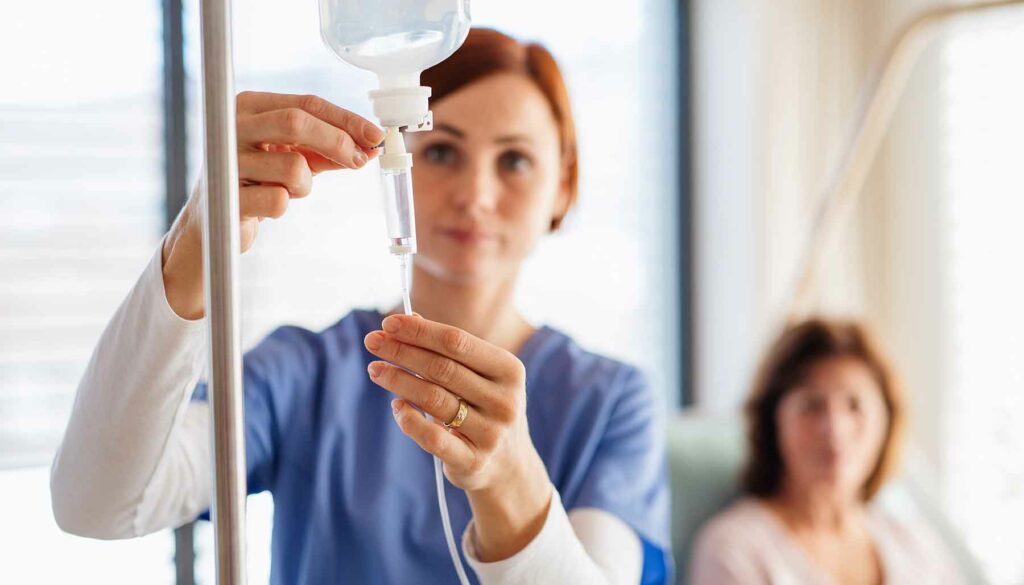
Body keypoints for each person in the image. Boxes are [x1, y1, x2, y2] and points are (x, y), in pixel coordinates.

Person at [50, 28, 671, 585]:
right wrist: (194, 245)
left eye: (514, 160)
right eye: (443, 151)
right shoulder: (305, 373)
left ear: (562, 184)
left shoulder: (609, 403)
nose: (475, 195)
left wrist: (509, 478)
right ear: (395, 158)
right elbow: (98, 502)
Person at [687, 318, 963, 585]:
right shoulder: (737, 550)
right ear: (773, 420)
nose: (834, 429)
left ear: (886, 421)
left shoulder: (913, 545)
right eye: (812, 406)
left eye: (855, 405)